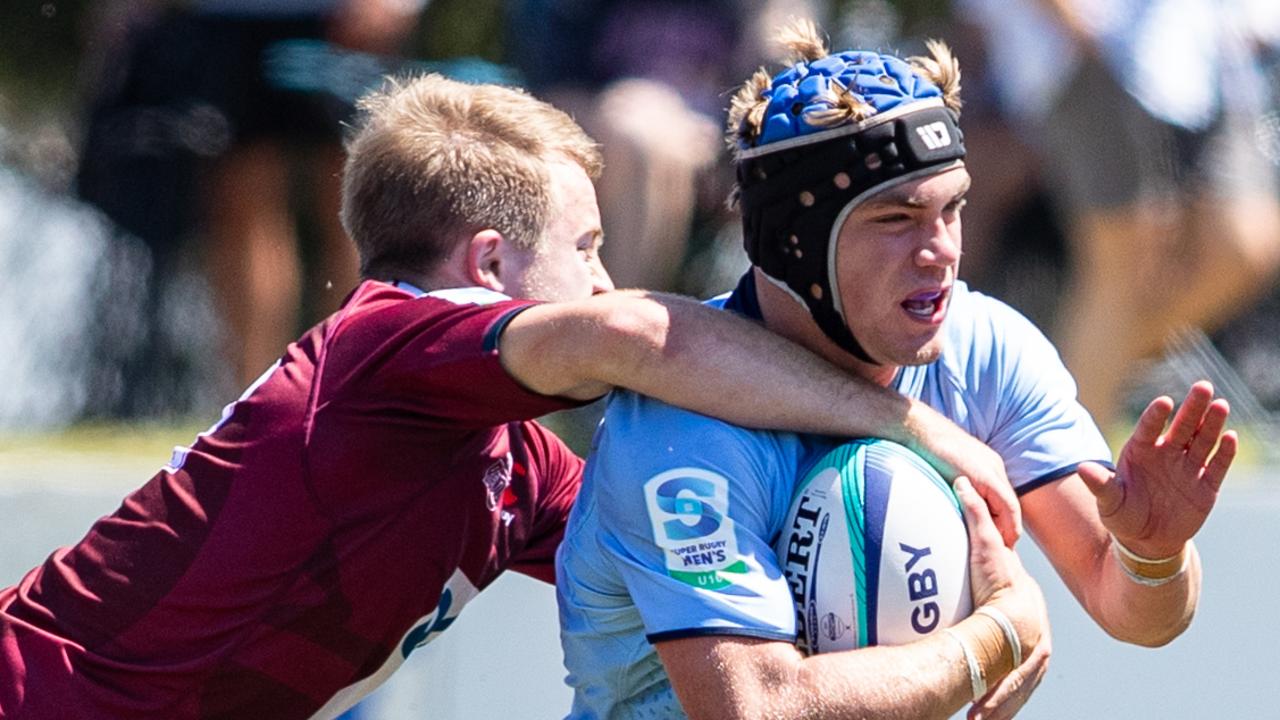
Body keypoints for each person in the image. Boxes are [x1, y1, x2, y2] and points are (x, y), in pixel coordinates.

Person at [0, 74, 1021, 719]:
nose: (606, 279)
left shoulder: (507, 458)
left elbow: (683, 560)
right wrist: (910, 425)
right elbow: (633, 337)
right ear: (487, 264)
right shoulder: (381, 347)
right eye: (584, 248)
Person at [556, 19, 1237, 720]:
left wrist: (1153, 555)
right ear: (796, 244)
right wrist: (993, 639)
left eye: (953, 208)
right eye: (897, 218)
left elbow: (1129, 608)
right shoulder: (680, 424)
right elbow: (753, 708)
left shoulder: (984, 346)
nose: (940, 250)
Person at [955, 0, 1280, 429]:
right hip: (1088, 49)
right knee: (1122, 265)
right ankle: (1063, 461)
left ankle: (1039, 390)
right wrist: (1075, 26)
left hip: (1203, 56)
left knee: (1247, 243)